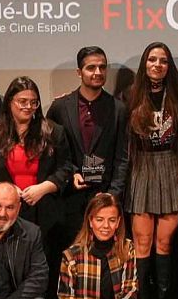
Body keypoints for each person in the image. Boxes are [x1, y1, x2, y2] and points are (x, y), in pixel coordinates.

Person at [124, 41, 178, 299]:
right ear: (144, 63)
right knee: (142, 243)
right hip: (141, 168)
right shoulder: (129, 95)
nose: (157, 65)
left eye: (163, 60)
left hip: (170, 168)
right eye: (152, 59)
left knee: (164, 244)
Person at [0, 77, 75, 267]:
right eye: (22, 101)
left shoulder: (53, 131)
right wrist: (5, 189)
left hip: (45, 210)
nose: (28, 106)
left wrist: (44, 188)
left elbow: (65, 167)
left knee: (41, 264)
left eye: (33, 102)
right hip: (5, 210)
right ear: (10, 102)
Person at [45, 46, 130, 221]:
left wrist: (112, 194)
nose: (98, 72)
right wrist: (71, 173)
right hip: (68, 196)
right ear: (79, 72)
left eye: (102, 67)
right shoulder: (60, 107)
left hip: (105, 196)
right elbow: (51, 151)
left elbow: (123, 157)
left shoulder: (118, 109)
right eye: (91, 67)